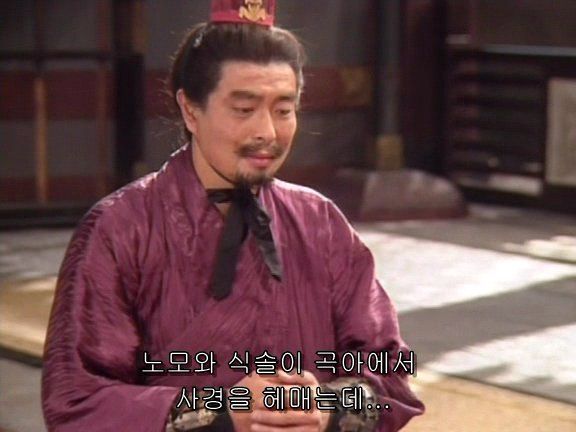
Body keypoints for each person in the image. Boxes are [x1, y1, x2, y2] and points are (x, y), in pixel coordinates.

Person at [41, 0, 425, 431]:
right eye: (244, 109)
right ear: (190, 109)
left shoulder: (321, 223)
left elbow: (389, 373)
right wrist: (226, 412)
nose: (267, 132)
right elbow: (79, 399)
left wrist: (325, 408)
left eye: (283, 110)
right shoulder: (120, 227)